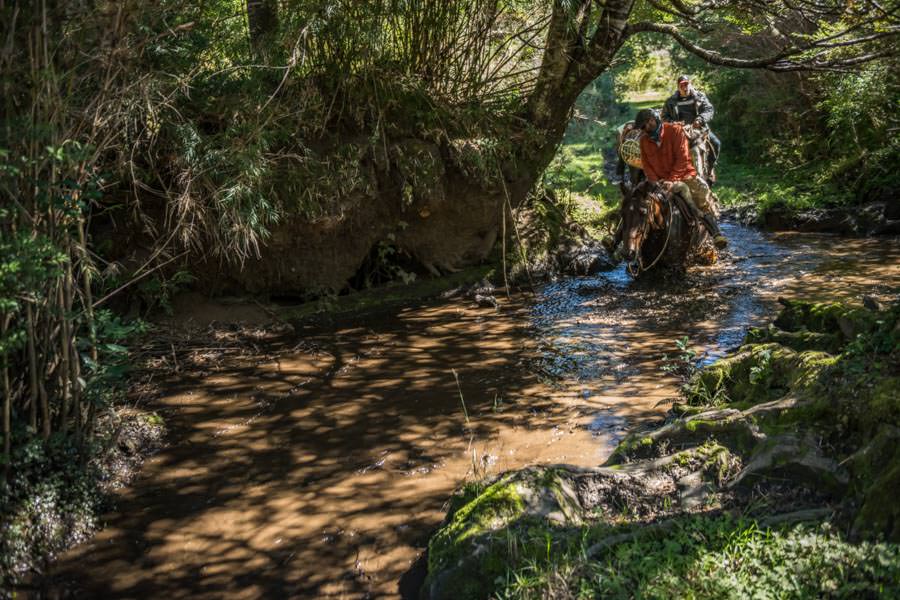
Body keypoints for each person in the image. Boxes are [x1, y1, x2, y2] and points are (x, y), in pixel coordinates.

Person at [634, 107, 727, 249]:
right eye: (643, 125)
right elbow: (646, 165)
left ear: (655, 118)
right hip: (658, 180)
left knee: (701, 196)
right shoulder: (643, 141)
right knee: (634, 197)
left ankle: (715, 233)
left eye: (648, 122)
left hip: (683, 175)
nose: (647, 127)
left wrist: (671, 180)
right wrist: (654, 181)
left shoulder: (675, 131)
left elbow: (682, 159)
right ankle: (618, 238)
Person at [662, 75, 721, 184]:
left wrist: (700, 119)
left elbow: (709, 109)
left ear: (690, 84)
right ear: (678, 87)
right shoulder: (670, 101)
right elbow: (664, 117)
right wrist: (674, 124)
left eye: (686, 84)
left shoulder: (699, 96)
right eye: (682, 85)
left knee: (716, 143)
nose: (685, 87)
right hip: (679, 132)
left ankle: (710, 168)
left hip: (700, 129)